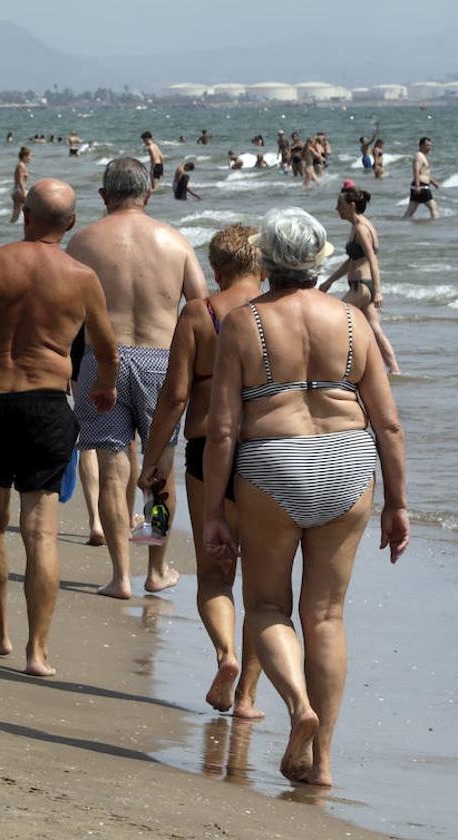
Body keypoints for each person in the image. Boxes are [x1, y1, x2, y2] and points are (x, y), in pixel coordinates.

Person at [202, 207, 408, 787]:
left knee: (268, 606)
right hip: (349, 460)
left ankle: (298, 707)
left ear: (265, 260)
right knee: (327, 615)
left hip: (273, 462)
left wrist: (214, 511)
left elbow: (222, 429)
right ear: (319, 259)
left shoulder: (244, 323)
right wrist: (397, 502)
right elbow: (388, 424)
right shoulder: (352, 320)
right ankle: (322, 764)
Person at [0, 180, 119, 677]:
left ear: (24, 213)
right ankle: (38, 651)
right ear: (72, 223)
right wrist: (106, 388)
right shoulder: (82, 277)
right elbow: (105, 349)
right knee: (42, 532)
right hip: (46, 407)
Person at [66, 158, 208, 599]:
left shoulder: (82, 242)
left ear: (105, 196)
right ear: (148, 194)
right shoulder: (175, 242)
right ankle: (156, 568)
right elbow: (201, 309)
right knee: (160, 469)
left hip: (100, 358)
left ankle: (120, 576)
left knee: (112, 469)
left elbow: (63, 311)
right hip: (160, 361)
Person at [139, 225, 266, 718]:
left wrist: (152, 459)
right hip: (265, 453)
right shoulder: (271, 311)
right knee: (264, 583)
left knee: (215, 572)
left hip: (204, 446)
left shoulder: (199, 313)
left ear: (215, 270)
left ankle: (225, 655)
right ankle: (248, 699)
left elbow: (173, 395)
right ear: (261, 265)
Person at [320, 186, 400, 373]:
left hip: (362, 287)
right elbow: (353, 260)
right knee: (376, 330)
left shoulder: (361, 229)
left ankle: (335, 368)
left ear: (351, 205)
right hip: (363, 287)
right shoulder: (359, 225)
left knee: (335, 321)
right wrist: (329, 281)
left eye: (339, 204)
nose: (336, 208)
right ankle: (394, 370)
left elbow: (372, 259)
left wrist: (378, 291)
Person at [405, 137, 440, 219]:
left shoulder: (422, 156)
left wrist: (434, 183)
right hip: (421, 186)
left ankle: (401, 225)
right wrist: (417, 186)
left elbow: (424, 173)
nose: (429, 148)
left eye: (430, 146)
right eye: (427, 145)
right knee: (433, 207)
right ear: (421, 146)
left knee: (410, 212)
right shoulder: (419, 156)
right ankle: (436, 225)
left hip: (420, 186)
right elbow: (416, 170)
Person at [9, 146, 31, 224]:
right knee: (32, 208)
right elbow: (20, 180)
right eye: (29, 156)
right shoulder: (21, 165)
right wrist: (24, 192)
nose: (30, 158)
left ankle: (9, 226)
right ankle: (29, 226)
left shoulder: (22, 165)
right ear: (25, 156)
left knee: (16, 213)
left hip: (18, 190)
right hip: (19, 190)